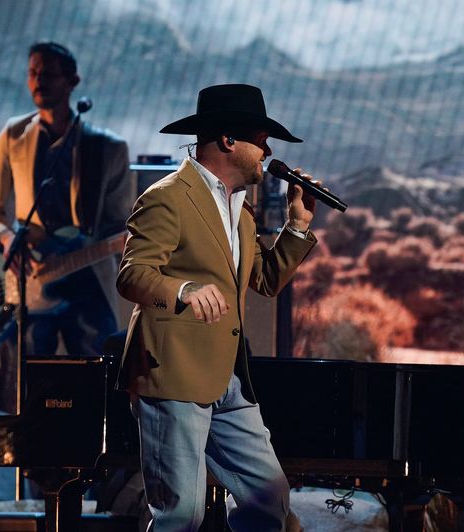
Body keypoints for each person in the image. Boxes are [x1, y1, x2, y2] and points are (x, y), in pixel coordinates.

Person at [116, 83, 318, 531]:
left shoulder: (240, 210)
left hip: (228, 378)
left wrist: (297, 227)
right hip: (174, 372)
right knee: (181, 515)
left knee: (269, 502)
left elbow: (264, 279)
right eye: (260, 139)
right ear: (228, 140)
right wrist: (184, 290)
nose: (266, 150)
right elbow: (131, 274)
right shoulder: (167, 196)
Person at [0, 41, 133, 355]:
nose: (39, 81)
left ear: (72, 82)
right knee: (28, 384)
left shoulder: (107, 147)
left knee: (93, 379)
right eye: (33, 73)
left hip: (87, 278)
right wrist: (9, 240)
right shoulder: (13, 134)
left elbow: (119, 225)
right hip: (28, 279)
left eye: (48, 73)